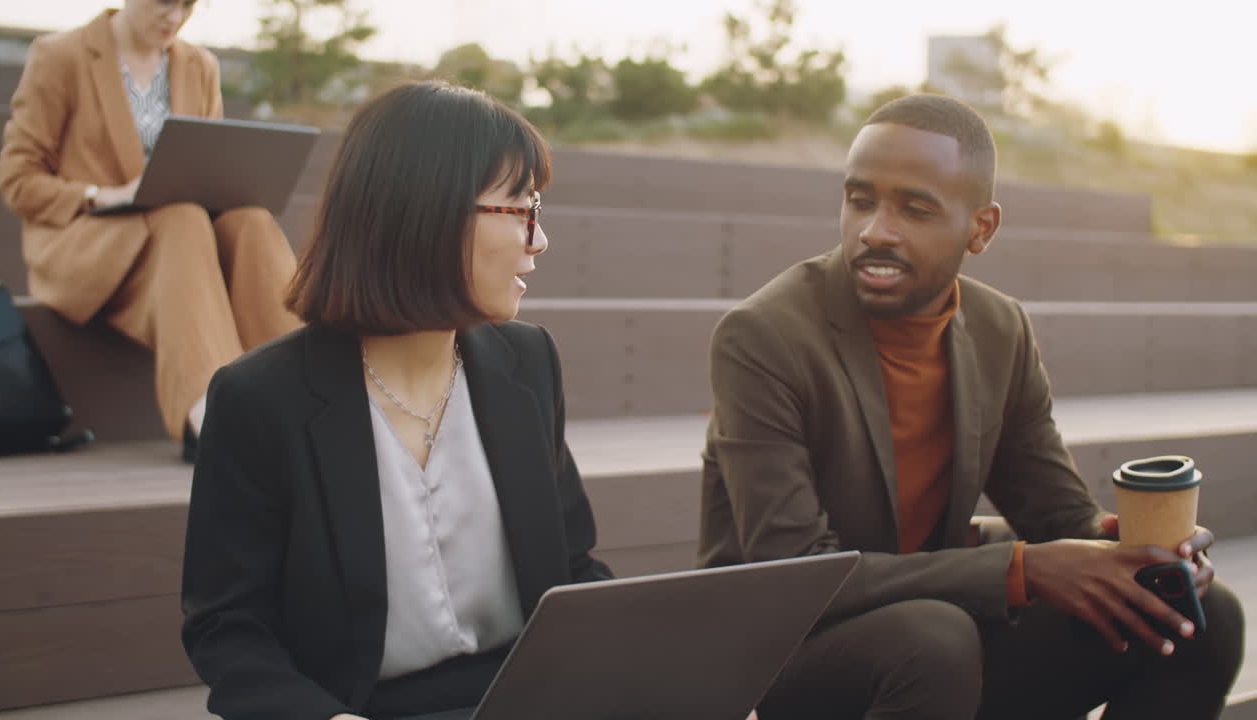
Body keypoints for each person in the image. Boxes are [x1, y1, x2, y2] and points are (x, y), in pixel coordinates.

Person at [697, 94, 1244, 719]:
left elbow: (1058, 516)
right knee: (933, 639)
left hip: (937, 629)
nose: (875, 230)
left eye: (915, 209)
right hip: (788, 648)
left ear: (981, 228)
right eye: (860, 200)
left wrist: (1145, 556)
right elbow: (794, 573)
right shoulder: (763, 337)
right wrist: (1023, 570)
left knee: (1198, 618)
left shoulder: (999, 329)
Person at [180, 81, 612, 720]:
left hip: (530, 698)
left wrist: (670, 679)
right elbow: (228, 629)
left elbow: (574, 571)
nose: (538, 239)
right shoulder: (259, 399)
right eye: (520, 208)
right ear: (427, 214)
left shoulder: (528, 363)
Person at [0, 0, 302, 459]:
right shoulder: (60, 56)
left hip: (179, 245)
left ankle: (301, 396)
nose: (175, 18)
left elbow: (208, 163)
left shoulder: (199, 65)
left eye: (188, 5)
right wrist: (103, 194)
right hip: (88, 241)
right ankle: (209, 411)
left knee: (251, 221)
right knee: (181, 218)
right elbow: (17, 179)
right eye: (164, 3)